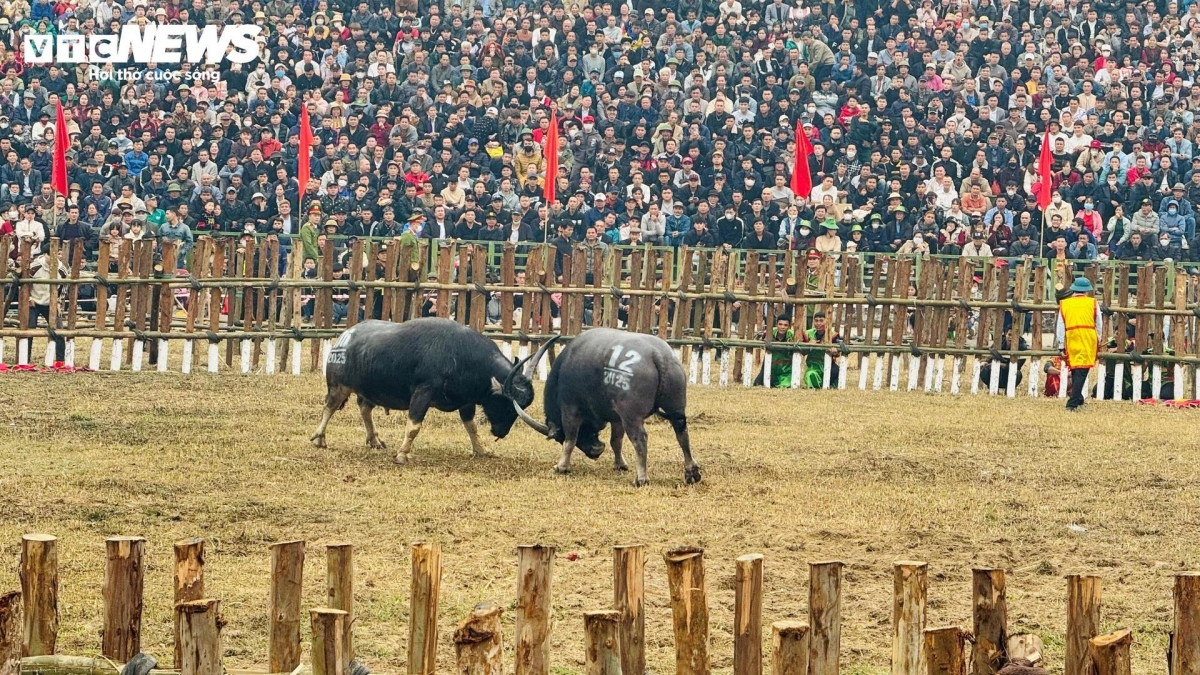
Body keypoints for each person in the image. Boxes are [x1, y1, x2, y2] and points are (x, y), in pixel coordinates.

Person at [1055, 277, 1103, 411]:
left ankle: (1078, 397)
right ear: (1087, 291)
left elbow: (1060, 325)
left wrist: (1061, 344)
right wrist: (1098, 339)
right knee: (1082, 370)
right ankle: (1073, 402)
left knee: (1076, 368)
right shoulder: (1093, 303)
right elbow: (1098, 323)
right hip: (1088, 336)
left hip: (1072, 336)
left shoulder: (1064, 304)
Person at [799, 311, 841, 388]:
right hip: (813, 365)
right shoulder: (808, 334)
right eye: (816, 321)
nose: (818, 323)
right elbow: (803, 352)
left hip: (829, 365)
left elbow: (838, 354)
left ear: (827, 321)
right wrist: (809, 345)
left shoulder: (833, 335)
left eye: (821, 321)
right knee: (810, 375)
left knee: (837, 372)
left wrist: (834, 352)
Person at [755, 314, 795, 387]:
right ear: (776, 325)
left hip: (785, 370)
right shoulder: (769, 332)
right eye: (780, 324)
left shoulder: (793, 335)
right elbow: (757, 338)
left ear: (789, 326)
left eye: (785, 325)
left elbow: (804, 342)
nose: (782, 327)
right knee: (757, 383)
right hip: (770, 367)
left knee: (785, 385)